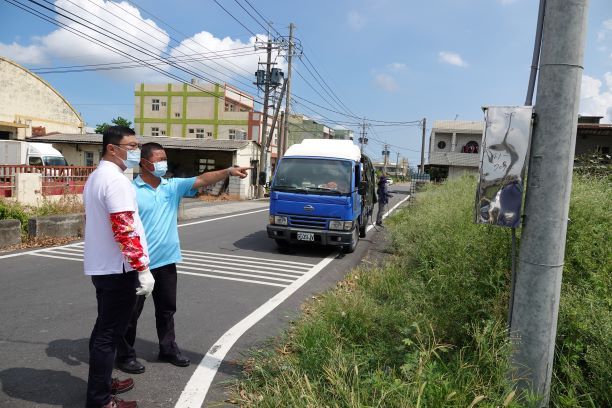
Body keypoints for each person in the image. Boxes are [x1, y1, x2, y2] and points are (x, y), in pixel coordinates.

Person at [116, 142, 250, 374]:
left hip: (167, 262)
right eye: (159, 159)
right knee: (130, 314)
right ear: (145, 163)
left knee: (167, 310)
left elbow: (203, 179)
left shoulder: (172, 186)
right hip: (139, 265)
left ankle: (168, 349)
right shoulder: (130, 190)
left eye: (164, 158)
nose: (163, 164)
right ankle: (125, 355)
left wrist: (228, 171)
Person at [83, 126, 155, 408]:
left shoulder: (96, 177)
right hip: (118, 269)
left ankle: (101, 385)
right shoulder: (116, 181)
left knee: (103, 330)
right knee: (108, 335)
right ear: (113, 148)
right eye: (132, 146)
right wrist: (142, 268)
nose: (136, 151)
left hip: (103, 267)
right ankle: (100, 400)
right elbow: (124, 228)